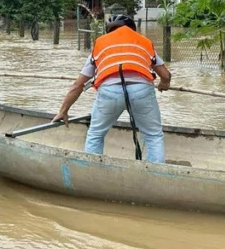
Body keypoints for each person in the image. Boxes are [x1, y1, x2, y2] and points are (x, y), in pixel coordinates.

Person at [52, 13, 172, 163]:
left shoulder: (101, 44)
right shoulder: (143, 42)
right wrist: (164, 85)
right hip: (141, 90)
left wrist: (63, 111)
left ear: (108, 30)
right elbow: (166, 75)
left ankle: (92, 170)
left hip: (109, 91)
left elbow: (78, 85)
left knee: (96, 133)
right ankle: (157, 176)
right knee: (153, 136)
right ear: (133, 29)